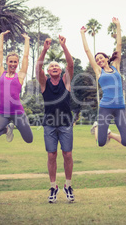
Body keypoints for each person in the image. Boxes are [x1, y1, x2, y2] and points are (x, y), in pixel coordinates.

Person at [80, 17, 126, 147]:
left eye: (101, 58)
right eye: (97, 59)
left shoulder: (116, 67)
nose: (99, 60)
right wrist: (82, 35)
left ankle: (111, 135)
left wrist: (118, 25)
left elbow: (119, 45)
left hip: (120, 107)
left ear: (107, 58)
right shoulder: (98, 71)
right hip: (105, 108)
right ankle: (97, 127)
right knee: (101, 143)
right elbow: (88, 52)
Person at [36, 35, 75, 203]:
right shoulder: (44, 83)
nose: (54, 67)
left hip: (66, 123)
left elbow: (71, 65)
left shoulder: (66, 81)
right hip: (50, 124)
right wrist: (44, 50)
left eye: (56, 66)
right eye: (51, 66)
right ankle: (53, 187)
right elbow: (38, 66)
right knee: (51, 156)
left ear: (60, 71)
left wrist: (64, 46)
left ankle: (68, 185)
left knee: (67, 154)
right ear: (48, 71)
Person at [0, 31, 33, 144]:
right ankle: (7, 129)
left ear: (17, 63)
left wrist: (27, 40)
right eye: (11, 61)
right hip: (2, 113)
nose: (13, 64)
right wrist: (1, 36)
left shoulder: (19, 76)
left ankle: (16, 124)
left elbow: (26, 57)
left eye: (15, 62)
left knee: (29, 139)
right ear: (6, 62)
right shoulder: (0, 73)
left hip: (18, 112)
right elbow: (0, 52)